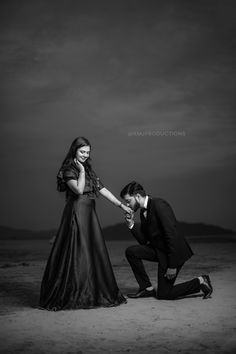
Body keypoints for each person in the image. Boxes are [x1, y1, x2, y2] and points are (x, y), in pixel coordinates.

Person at [39, 137, 131, 310]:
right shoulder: (68, 169)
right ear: (74, 150)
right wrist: (81, 171)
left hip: (90, 214)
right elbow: (79, 190)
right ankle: (76, 294)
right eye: (82, 152)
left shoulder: (89, 169)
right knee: (76, 252)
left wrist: (121, 206)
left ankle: (92, 292)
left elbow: (102, 189)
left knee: (92, 251)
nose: (85, 155)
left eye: (88, 152)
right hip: (77, 212)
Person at [120, 181, 213, 300]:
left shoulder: (159, 205)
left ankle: (200, 281)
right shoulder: (143, 212)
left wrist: (172, 266)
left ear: (137, 196)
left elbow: (172, 235)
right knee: (131, 252)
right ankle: (146, 288)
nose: (127, 205)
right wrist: (131, 224)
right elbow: (144, 241)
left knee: (164, 294)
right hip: (160, 251)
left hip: (173, 254)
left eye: (128, 201)